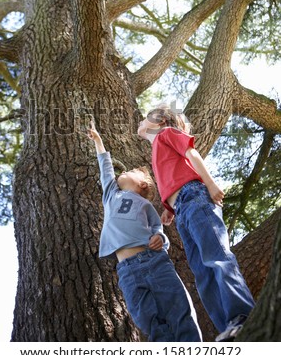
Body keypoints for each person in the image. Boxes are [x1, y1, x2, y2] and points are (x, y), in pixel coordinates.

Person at [137, 104, 255, 342]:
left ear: (160, 120)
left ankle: (243, 317)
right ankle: (229, 328)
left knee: (218, 258)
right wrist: (169, 209)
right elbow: (173, 176)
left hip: (196, 197)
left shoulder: (167, 133)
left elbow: (192, 154)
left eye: (145, 118)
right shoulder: (157, 147)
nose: (140, 122)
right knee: (202, 273)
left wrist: (210, 184)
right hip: (182, 208)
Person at [87, 121, 202, 342]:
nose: (125, 171)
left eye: (131, 171)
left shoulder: (146, 205)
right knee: (148, 321)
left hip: (154, 262)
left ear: (143, 185)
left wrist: (161, 238)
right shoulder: (111, 195)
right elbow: (105, 170)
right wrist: (99, 142)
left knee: (179, 310)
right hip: (127, 272)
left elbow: (157, 228)